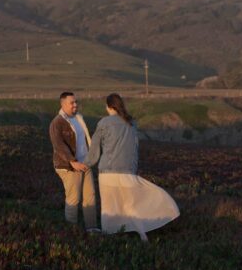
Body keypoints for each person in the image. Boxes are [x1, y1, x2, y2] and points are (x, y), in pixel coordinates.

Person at [85, 93, 179, 241]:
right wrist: (132, 171)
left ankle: (109, 238)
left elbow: (94, 151)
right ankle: (142, 235)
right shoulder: (132, 123)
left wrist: (85, 165)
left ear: (108, 106)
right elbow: (134, 149)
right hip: (128, 172)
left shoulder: (104, 123)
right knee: (131, 207)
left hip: (108, 173)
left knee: (109, 208)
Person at [49, 91, 98, 232]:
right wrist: (72, 161)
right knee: (73, 199)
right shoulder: (56, 123)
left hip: (85, 163)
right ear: (63, 104)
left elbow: (86, 140)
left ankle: (92, 228)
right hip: (69, 166)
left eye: (76, 102)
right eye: (72, 102)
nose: (75, 105)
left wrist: (91, 157)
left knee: (90, 197)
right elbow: (58, 145)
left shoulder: (79, 118)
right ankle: (71, 232)